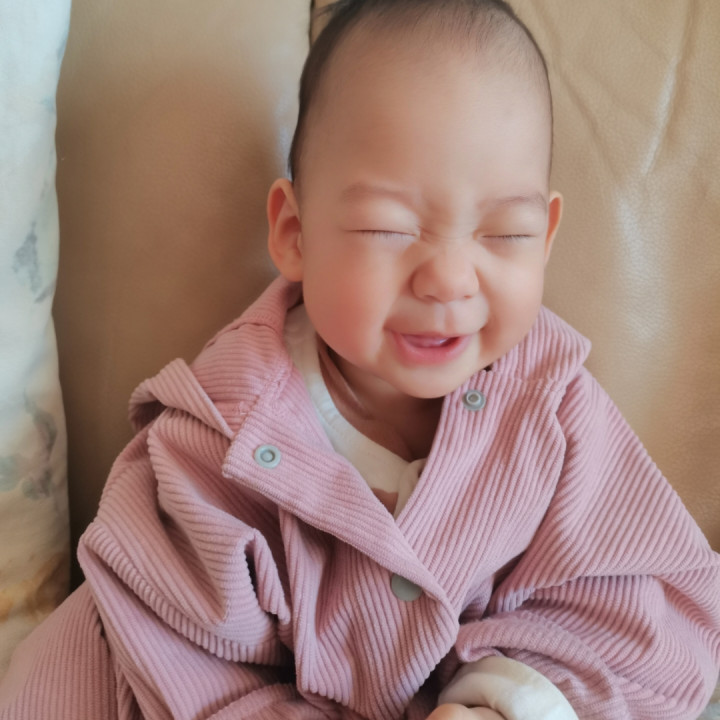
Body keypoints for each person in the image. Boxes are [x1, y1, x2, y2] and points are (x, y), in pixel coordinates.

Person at [1, 0, 719, 718]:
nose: (449, 280)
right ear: (295, 233)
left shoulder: (554, 411)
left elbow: (648, 612)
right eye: (387, 227)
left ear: (548, 237)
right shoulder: (219, 444)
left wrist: (511, 699)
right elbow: (180, 663)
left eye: (505, 234)